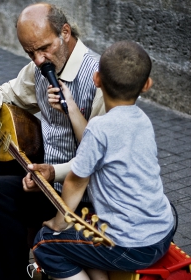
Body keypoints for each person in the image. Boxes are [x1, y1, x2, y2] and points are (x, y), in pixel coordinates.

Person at [0, 3, 105, 280]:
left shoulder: (99, 76)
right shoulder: (40, 68)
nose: (38, 59)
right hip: (43, 173)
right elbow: (5, 93)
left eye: (44, 48)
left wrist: (54, 170)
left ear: (65, 32)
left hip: (76, 192)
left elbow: (102, 155)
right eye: (30, 52)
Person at [31, 41, 174, 280]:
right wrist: (71, 108)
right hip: (162, 232)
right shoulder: (143, 120)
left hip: (129, 247)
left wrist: (58, 224)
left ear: (96, 79)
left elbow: (75, 182)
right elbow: (94, 141)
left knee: (45, 245)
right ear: (147, 85)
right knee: (87, 225)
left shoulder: (100, 128)